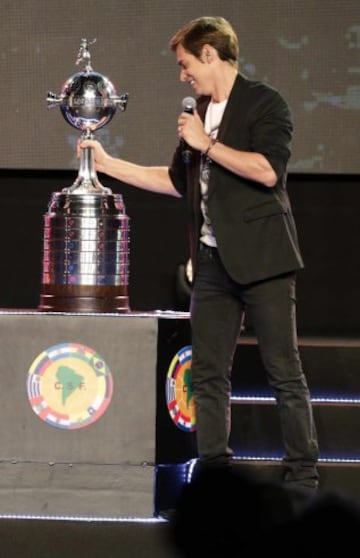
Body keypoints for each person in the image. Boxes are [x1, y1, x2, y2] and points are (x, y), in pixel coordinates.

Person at [80, 16, 319, 490]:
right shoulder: (199, 112)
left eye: (186, 63)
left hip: (265, 262)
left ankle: (302, 474)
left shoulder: (264, 103)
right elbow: (175, 181)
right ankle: (214, 474)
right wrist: (110, 166)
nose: (182, 75)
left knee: (283, 370)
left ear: (209, 54)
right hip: (211, 265)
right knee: (207, 374)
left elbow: (268, 171)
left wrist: (207, 144)